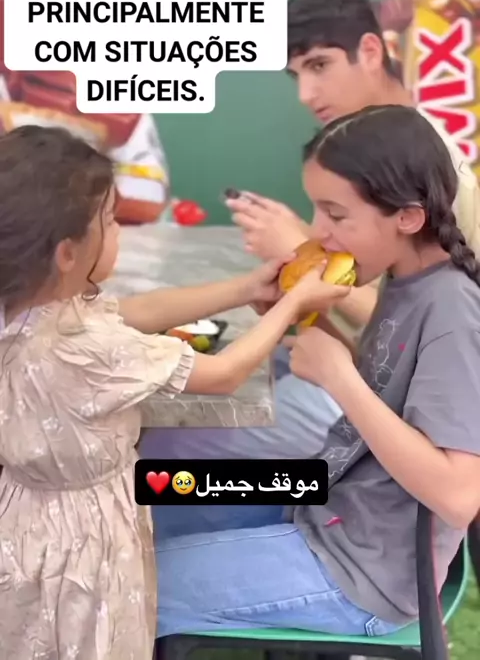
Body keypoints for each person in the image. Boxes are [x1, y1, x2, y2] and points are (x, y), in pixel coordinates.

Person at [0, 125, 348, 660]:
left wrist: (246, 288)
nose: (118, 231)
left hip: (24, 522)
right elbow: (225, 374)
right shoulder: (85, 349)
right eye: (110, 221)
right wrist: (291, 304)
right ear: (67, 253)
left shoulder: (32, 312)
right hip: (87, 538)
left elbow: (139, 310)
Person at [141, 0, 480, 498]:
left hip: (394, 425)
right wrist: (299, 286)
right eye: (296, 74)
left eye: (319, 65)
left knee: (169, 452)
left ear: (371, 51)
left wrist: (295, 251)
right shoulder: (358, 147)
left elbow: (427, 335)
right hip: (362, 387)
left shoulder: (424, 168)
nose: (305, 94)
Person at [156, 105, 480, 638]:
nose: (318, 232)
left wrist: (338, 378)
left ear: (407, 217)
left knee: (123, 578)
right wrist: (310, 324)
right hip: (320, 505)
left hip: (361, 574)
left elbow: (458, 496)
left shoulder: (452, 312)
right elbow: (388, 392)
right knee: (146, 504)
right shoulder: (403, 278)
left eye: (336, 214)